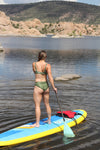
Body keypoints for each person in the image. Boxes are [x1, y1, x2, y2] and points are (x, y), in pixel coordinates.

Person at [32, 50, 57, 127]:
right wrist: (54, 87)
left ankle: (37, 123)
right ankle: (49, 121)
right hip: (46, 86)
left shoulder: (34, 64)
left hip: (38, 85)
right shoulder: (48, 65)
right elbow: (50, 77)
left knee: (37, 106)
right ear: (45, 57)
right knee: (47, 104)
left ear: (39, 56)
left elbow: (35, 72)